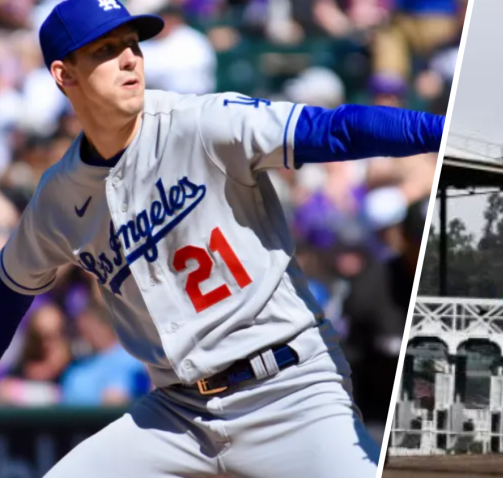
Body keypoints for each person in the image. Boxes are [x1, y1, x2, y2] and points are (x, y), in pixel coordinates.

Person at [0, 0, 444, 476]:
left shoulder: (201, 123)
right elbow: (10, 289)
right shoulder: (59, 196)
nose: (130, 58)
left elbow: (335, 130)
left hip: (289, 391)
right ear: (64, 76)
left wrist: (446, 133)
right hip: (177, 416)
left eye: (132, 45)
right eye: (107, 50)